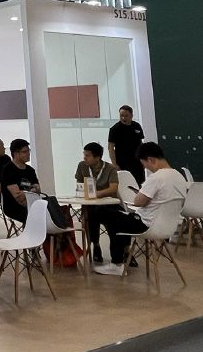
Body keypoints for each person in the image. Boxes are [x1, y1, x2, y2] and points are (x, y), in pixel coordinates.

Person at [94, 142, 188, 275]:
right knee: (118, 217)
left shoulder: (156, 178)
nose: (146, 168)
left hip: (146, 224)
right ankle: (125, 254)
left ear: (151, 160)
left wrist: (140, 193)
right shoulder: (179, 177)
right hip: (168, 226)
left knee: (104, 213)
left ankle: (117, 263)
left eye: (144, 164)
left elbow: (138, 202)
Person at [74, 142, 120, 263]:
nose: (84, 158)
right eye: (84, 155)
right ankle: (96, 245)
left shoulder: (110, 169)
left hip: (108, 205)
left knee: (111, 219)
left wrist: (96, 194)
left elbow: (113, 188)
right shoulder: (82, 166)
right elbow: (79, 184)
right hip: (91, 204)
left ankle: (119, 252)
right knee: (90, 214)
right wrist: (83, 193)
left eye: (88, 155)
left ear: (97, 157)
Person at [0, 138, 40, 225]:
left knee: (52, 210)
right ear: (16, 153)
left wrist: (26, 193)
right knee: (38, 216)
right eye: (25, 152)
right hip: (13, 207)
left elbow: (38, 189)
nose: (28, 154)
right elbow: (19, 197)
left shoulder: (30, 170)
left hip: (32, 204)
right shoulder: (8, 170)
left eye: (28, 151)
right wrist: (32, 191)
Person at [108, 105, 145, 184]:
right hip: (122, 162)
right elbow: (110, 147)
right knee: (125, 184)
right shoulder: (114, 129)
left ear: (131, 116)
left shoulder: (136, 126)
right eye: (121, 115)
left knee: (139, 183)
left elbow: (141, 144)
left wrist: (143, 159)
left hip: (137, 162)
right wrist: (114, 164)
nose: (123, 118)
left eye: (126, 116)